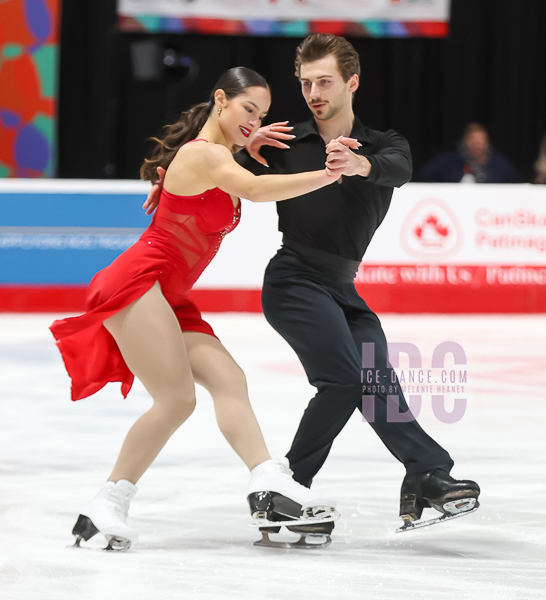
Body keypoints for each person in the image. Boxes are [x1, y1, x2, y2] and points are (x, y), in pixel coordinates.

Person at [145, 36, 481, 533]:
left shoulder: (385, 145)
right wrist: (227, 154)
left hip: (345, 290)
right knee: (345, 380)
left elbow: (396, 170)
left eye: (324, 81)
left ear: (353, 81)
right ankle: (293, 486)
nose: (313, 92)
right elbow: (210, 161)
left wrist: (358, 163)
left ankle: (420, 476)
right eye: (305, 83)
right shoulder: (283, 141)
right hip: (294, 280)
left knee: (375, 385)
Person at [50, 67, 339, 552]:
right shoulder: (201, 155)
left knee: (229, 379)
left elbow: (222, 173)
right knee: (177, 399)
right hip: (140, 282)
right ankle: (107, 503)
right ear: (220, 99)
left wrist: (244, 142)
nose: (255, 120)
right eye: (249, 109)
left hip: (169, 294)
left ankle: (266, 482)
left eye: (263, 114)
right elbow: (252, 189)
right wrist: (328, 175)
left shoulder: (215, 155)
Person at [415, 122, 519, 183]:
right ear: (465, 142)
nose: (476, 146)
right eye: (473, 142)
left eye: (480, 142)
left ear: (486, 144)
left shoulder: (499, 163)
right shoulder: (448, 161)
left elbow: (515, 181)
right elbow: (423, 175)